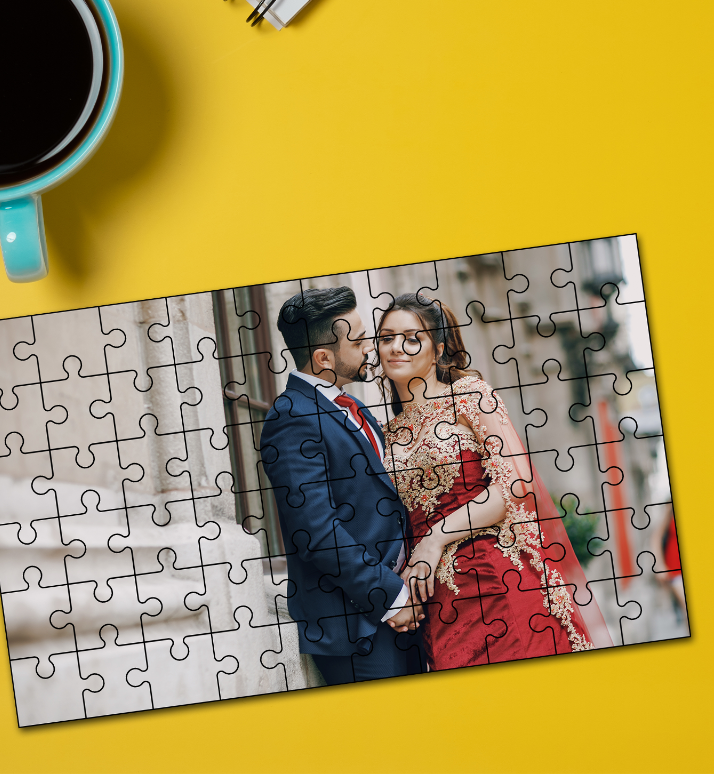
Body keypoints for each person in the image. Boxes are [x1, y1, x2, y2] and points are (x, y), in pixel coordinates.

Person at [376, 293, 612, 670]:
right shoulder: (382, 436)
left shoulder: (471, 397)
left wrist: (436, 538)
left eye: (411, 337)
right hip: (436, 602)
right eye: (386, 338)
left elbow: (515, 485)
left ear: (437, 350)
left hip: (499, 577)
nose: (396, 348)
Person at [260, 287, 425, 686]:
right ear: (323, 358)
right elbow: (316, 531)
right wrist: (390, 596)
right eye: (357, 340)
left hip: (402, 613)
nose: (368, 347)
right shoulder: (290, 418)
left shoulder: (354, 408)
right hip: (357, 630)